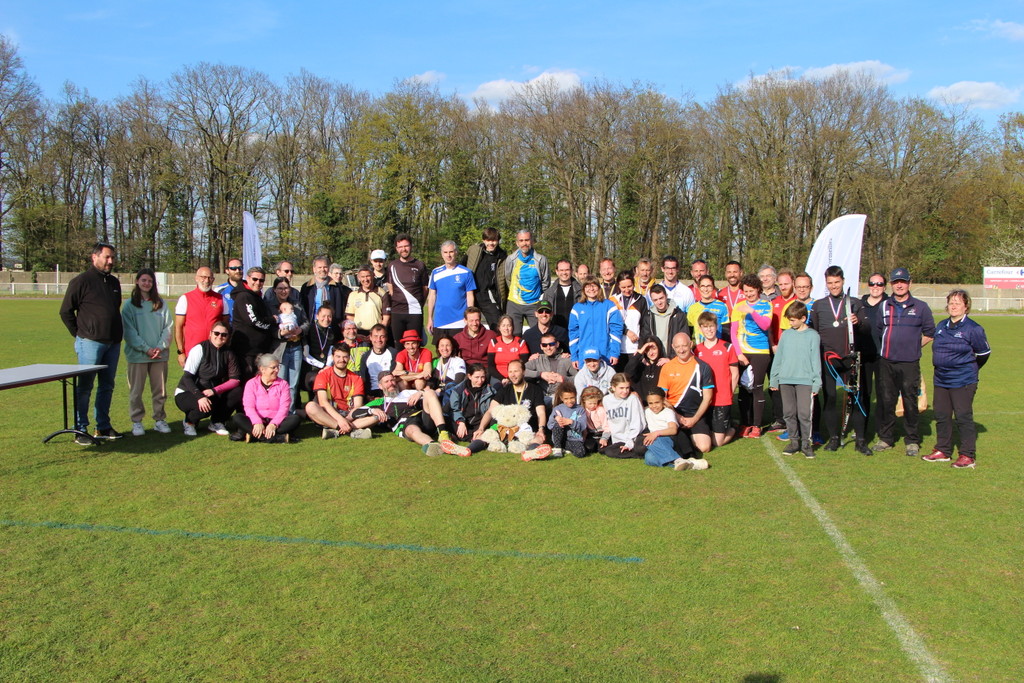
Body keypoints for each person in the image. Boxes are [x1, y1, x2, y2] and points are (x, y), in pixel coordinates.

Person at [59, 242, 124, 442]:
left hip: (112, 343)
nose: (110, 261)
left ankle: (103, 427)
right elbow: (65, 311)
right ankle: (80, 429)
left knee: (107, 386)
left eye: (112, 257)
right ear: (94, 257)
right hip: (90, 343)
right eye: (107, 257)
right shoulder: (81, 281)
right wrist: (80, 335)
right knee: (85, 387)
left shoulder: (114, 282)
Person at [921, 290, 991, 469]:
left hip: (963, 380)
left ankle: (968, 455)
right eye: (951, 302)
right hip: (941, 379)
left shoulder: (973, 328)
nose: (953, 306)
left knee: (962, 417)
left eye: (957, 303)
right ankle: (943, 450)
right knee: (942, 416)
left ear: (966, 306)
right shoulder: (942, 325)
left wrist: (969, 369)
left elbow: (983, 353)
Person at [873, 268, 935, 456]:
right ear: (891, 284)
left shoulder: (921, 307)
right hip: (887, 362)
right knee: (886, 401)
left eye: (903, 281)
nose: (899, 285)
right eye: (896, 282)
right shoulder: (884, 306)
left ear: (910, 283)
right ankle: (886, 438)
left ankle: (912, 440)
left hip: (909, 363)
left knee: (910, 401)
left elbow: (930, 333)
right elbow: (877, 331)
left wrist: (914, 347)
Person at [810, 265, 869, 454]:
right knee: (830, 398)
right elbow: (815, 332)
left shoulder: (855, 303)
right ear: (826, 283)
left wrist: (858, 323)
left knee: (855, 398)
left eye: (837, 282)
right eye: (830, 283)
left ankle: (860, 440)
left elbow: (867, 330)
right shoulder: (819, 305)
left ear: (843, 281)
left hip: (850, 358)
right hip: (829, 359)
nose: (834, 286)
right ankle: (834, 438)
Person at [121, 268, 174, 436]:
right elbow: (129, 332)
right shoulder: (129, 305)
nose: (146, 283)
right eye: (143, 280)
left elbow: (168, 328)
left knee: (160, 391)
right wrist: (146, 349)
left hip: (159, 356)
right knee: (136, 391)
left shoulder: (161, 303)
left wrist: (159, 347)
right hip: (138, 356)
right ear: (137, 281)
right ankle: (137, 421)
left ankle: (159, 419)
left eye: (150, 281)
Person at [350, 371, 450, 456]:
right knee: (412, 429)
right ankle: (432, 445)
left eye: (392, 380)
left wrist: (421, 392)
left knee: (429, 392)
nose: (391, 383)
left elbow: (437, 393)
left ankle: (443, 433)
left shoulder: (407, 393)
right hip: (406, 423)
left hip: (424, 418)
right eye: (387, 382)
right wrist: (371, 410)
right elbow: (355, 412)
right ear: (380, 386)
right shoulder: (380, 402)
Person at [769, 302, 820, 459]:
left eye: (792, 320)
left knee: (804, 414)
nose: (790, 323)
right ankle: (793, 442)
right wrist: (774, 379)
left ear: (803, 318)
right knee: (789, 413)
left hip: (805, 381)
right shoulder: (786, 335)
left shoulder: (813, 336)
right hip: (786, 380)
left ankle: (806, 443)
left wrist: (816, 382)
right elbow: (779, 358)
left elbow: (815, 360)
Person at [174, 322, 243, 436]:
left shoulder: (229, 353)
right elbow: (187, 377)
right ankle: (189, 422)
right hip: (188, 391)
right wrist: (200, 397)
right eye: (216, 333)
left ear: (227, 337)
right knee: (206, 406)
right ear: (210, 334)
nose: (219, 337)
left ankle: (216, 422)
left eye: (224, 335)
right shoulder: (199, 349)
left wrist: (215, 390)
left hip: (211, 392)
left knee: (237, 391)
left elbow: (235, 380)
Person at [474, 359, 551, 459]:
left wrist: (541, 429)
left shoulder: (535, 389)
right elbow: (490, 411)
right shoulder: (505, 390)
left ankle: (530, 453)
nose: (513, 375)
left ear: (524, 372)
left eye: (516, 371)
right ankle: (467, 450)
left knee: (538, 439)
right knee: (482, 436)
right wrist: (481, 428)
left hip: (526, 431)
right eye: (510, 372)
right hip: (505, 430)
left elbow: (541, 412)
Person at [731, 273, 773, 437]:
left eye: (751, 291)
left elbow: (765, 325)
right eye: (746, 291)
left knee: (756, 387)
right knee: (743, 389)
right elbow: (734, 333)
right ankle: (745, 422)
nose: (748, 294)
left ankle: (756, 425)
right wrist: (739, 354)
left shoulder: (766, 305)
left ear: (758, 289)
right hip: (742, 352)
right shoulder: (738, 306)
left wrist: (752, 311)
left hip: (760, 352)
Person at [658, 332, 714, 454]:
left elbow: (708, 398)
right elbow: (662, 398)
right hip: (674, 412)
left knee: (704, 447)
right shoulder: (667, 367)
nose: (681, 350)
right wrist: (678, 417)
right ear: (672, 347)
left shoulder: (703, 366)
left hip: (695, 413)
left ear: (691, 344)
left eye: (684, 346)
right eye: (677, 347)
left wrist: (694, 419)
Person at [234, 354, 303, 443]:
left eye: (278, 367)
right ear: (262, 369)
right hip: (257, 420)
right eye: (273, 367)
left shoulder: (283, 384)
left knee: (295, 419)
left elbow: (284, 408)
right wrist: (257, 422)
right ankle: (279, 438)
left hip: (277, 422)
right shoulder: (251, 384)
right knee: (237, 417)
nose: (277, 370)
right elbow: (249, 407)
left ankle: (255, 437)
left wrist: (274, 424)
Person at [306, 345, 370, 439]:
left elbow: (357, 406)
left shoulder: (356, 378)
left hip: (349, 415)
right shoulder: (323, 375)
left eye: (345, 357)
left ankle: (335, 430)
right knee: (310, 407)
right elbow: (323, 402)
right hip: (329, 414)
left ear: (349, 357)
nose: (342, 360)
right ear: (333, 357)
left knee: (377, 415)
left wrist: (346, 420)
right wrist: (340, 420)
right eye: (338, 356)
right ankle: (348, 429)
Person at [694, 312, 739, 448]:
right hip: (704, 399)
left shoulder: (727, 347)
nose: (709, 330)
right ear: (701, 329)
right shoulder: (697, 350)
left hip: (722, 398)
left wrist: (729, 393)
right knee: (705, 435)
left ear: (716, 327)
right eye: (705, 327)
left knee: (717, 442)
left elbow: (735, 374)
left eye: (711, 326)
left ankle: (734, 428)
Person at [268, 277, 309, 410]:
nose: (283, 291)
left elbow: (306, 323)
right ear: (274, 290)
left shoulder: (296, 305)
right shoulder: (269, 306)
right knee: (280, 382)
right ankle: (278, 413)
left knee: (293, 384)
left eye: (286, 288)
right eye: (280, 288)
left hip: (296, 347)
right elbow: (267, 328)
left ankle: (290, 413)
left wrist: (300, 330)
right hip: (280, 349)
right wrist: (280, 333)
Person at [499, 229, 550, 335]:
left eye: (527, 240)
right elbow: (508, 279)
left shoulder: (541, 260)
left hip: (534, 304)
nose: (524, 243)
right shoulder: (511, 259)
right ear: (517, 243)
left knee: (539, 334)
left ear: (532, 241)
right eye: (521, 240)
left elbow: (545, 282)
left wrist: (536, 295)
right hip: (514, 304)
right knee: (515, 335)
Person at [174, 266, 227, 368]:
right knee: (192, 382)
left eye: (209, 278)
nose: (206, 280)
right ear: (196, 278)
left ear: (213, 280)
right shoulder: (185, 298)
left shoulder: (221, 299)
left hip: (215, 352)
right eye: (203, 277)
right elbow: (178, 327)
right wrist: (180, 352)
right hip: (192, 352)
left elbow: (226, 326)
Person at [231, 267, 277, 379]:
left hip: (259, 350)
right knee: (247, 385)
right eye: (255, 279)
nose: (258, 283)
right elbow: (254, 321)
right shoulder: (244, 296)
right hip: (247, 352)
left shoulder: (257, 296)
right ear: (247, 278)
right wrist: (273, 320)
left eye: (261, 280)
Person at [569, 275, 623, 369]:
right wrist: (574, 356)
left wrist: (614, 353)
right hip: (584, 355)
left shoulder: (609, 305)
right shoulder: (577, 308)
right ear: (583, 289)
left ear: (599, 287)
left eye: (594, 285)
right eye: (587, 286)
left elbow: (616, 330)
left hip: (605, 354)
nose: (591, 289)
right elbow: (573, 333)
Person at [857, 272, 888, 436]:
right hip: (863, 357)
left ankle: (882, 430)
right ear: (868, 285)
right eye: (873, 283)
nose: (876, 287)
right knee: (863, 393)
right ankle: (861, 428)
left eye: (880, 284)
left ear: (884, 286)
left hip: (883, 357)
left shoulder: (889, 304)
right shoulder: (860, 305)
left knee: (883, 394)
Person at [426, 240, 476, 341]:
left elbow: (470, 296)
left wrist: (469, 318)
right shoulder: (435, 272)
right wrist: (430, 319)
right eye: (445, 252)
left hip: (460, 321)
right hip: (440, 322)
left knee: (459, 353)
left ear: (456, 252)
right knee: (441, 353)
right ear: (442, 254)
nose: (448, 255)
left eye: (451, 252)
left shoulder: (466, 272)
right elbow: (431, 296)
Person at [442, 363, 496, 457]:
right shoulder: (458, 390)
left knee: (488, 434)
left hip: (481, 422)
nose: (480, 381)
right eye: (477, 377)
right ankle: (453, 438)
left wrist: (481, 427)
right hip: (463, 420)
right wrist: (461, 422)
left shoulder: (491, 391)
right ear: (469, 376)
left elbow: (491, 411)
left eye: (483, 377)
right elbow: (455, 409)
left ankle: (467, 449)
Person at [386, 233, 429, 344]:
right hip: (397, 312)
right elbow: (391, 289)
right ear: (396, 249)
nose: (403, 249)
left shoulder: (420, 265)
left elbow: (425, 289)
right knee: (399, 346)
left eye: (406, 246)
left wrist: (417, 303)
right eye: (400, 247)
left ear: (411, 246)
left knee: (414, 346)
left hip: (415, 311)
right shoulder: (392, 265)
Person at [462, 227, 506, 328]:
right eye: (488, 240)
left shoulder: (502, 256)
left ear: (498, 241)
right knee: (472, 325)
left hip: (489, 296)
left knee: (497, 325)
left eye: (494, 240)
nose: (491, 243)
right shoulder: (474, 250)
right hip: (472, 294)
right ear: (483, 240)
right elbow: (461, 267)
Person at [643, 388, 695, 471]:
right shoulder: (647, 411)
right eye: (650, 403)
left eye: (657, 402)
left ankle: (677, 460)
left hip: (669, 439)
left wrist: (656, 433)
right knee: (648, 457)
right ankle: (684, 464)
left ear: (663, 401)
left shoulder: (668, 412)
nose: (654, 406)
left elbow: (673, 430)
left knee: (652, 442)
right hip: (656, 441)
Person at [600, 373, 646, 459]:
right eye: (621, 388)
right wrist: (606, 437)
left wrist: (629, 443)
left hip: (634, 436)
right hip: (617, 438)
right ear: (613, 387)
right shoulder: (606, 400)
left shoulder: (633, 399)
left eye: (627, 388)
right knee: (604, 450)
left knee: (640, 449)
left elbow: (637, 424)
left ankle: (635, 452)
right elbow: (609, 421)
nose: (625, 391)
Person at [525, 332, 576, 406]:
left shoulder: (566, 360)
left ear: (557, 344)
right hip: (541, 395)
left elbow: (579, 377)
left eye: (551, 344)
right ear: (541, 346)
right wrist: (540, 374)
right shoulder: (537, 359)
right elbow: (520, 371)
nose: (548, 347)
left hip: (559, 398)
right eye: (544, 345)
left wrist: (563, 379)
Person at [301, 255, 350, 329]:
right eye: (319, 267)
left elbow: (340, 309)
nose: (322, 269)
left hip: (331, 328)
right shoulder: (307, 287)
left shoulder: (336, 287)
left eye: (325, 267)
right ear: (314, 269)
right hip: (312, 328)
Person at [611, 270, 649, 365]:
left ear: (634, 283)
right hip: (616, 349)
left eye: (629, 286)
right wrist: (626, 331)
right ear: (618, 286)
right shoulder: (612, 300)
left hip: (634, 349)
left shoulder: (641, 300)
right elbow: (610, 323)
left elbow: (645, 325)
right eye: (623, 287)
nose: (627, 290)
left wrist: (641, 347)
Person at [639, 283, 689, 353]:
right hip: (655, 358)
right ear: (652, 300)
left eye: (661, 298)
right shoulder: (648, 317)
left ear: (666, 296)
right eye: (655, 300)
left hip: (673, 358)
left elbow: (685, 339)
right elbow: (644, 339)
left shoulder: (679, 315)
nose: (659, 302)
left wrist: (670, 358)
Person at [302, 304, 338, 398]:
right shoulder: (309, 330)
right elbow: (305, 354)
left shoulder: (331, 332)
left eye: (329, 316)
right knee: (317, 381)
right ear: (317, 316)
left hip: (325, 368)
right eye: (323, 316)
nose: (326, 319)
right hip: (309, 368)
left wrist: (327, 366)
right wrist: (322, 366)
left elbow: (331, 350)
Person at [346, 266, 390, 336]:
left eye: (368, 276)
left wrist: (379, 333)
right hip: (358, 333)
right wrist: (355, 332)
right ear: (359, 278)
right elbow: (350, 317)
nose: (365, 279)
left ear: (373, 276)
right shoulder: (353, 294)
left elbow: (386, 317)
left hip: (376, 334)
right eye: (362, 277)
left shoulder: (382, 293)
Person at [547, 382, 588, 458]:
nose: (569, 401)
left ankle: (565, 447)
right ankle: (558, 448)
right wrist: (556, 419)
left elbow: (583, 426)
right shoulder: (557, 409)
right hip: (560, 438)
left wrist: (571, 422)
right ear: (561, 398)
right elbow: (550, 425)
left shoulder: (580, 409)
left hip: (574, 439)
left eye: (572, 398)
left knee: (580, 453)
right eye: (566, 398)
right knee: (557, 425)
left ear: (575, 396)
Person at [687, 274, 729, 344]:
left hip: (718, 349)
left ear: (713, 287)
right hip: (699, 349)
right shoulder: (692, 308)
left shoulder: (722, 306)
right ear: (698, 288)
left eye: (708, 286)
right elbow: (689, 332)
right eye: (703, 286)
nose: (706, 289)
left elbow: (726, 332)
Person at [487, 315, 529, 385]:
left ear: (512, 327)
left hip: (516, 377)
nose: (506, 328)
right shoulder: (493, 342)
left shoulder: (520, 342)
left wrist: (510, 379)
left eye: (509, 325)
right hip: (498, 377)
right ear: (499, 328)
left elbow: (524, 365)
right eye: (503, 325)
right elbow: (490, 366)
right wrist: (502, 379)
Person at [359, 324, 398, 397]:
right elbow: (363, 379)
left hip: (389, 389)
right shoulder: (365, 357)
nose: (378, 340)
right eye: (375, 336)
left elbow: (394, 376)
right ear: (370, 337)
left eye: (382, 336)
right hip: (372, 392)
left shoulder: (393, 353)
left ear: (386, 338)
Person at [543, 259, 581, 330]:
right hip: (556, 332)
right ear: (557, 271)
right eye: (561, 270)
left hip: (576, 331)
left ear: (571, 271)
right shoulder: (549, 293)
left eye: (567, 270)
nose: (564, 273)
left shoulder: (581, 292)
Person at [430, 336, 466, 404]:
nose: (445, 348)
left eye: (448, 345)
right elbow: (431, 381)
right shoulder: (435, 361)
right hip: (436, 392)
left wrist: (442, 389)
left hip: (450, 392)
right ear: (438, 348)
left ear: (452, 347)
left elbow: (459, 380)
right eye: (442, 345)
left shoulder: (458, 361)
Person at [214, 257, 244, 321]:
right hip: (227, 328)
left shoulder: (250, 288)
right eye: (233, 268)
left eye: (240, 268)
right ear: (227, 271)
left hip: (245, 329)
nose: (237, 271)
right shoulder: (219, 290)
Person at [580, 386, 607, 455]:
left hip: (602, 433)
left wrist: (604, 438)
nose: (593, 406)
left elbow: (606, 426)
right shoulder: (582, 411)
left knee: (603, 449)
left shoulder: (600, 410)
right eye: (590, 403)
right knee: (589, 448)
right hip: (591, 434)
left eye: (595, 403)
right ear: (584, 401)